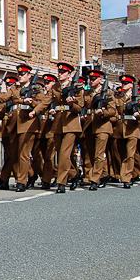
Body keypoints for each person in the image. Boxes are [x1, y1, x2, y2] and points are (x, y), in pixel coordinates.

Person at [48, 62, 85, 193]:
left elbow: (80, 108)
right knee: (61, 153)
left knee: (64, 154)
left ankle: (61, 182)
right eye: (59, 72)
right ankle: (74, 174)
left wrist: (72, 103)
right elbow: (47, 101)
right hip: (58, 124)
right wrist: (40, 110)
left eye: (63, 72)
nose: (60, 74)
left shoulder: (76, 87)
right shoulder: (55, 87)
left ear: (69, 74)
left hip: (71, 124)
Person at [84, 70, 116, 190]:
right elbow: (83, 107)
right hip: (89, 126)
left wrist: (103, 113)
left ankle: (94, 180)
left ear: (100, 80)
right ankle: (103, 175)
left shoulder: (107, 93)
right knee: (91, 154)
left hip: (103, 126)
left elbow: (113, 111)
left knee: (99, 154)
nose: (91, 81)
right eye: (90, 79)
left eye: (94, 79)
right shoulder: (87, 93)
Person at [114, 74, 140, 188]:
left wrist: (138, 115)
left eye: (126, 84)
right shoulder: (119, 98)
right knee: (121, 154)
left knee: (130, 155)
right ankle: (133, 173)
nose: (123, 85)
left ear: (131, 85)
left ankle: (126, 178)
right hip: (120, 129)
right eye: (122, 83)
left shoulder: (138, 98)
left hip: (133, 129)